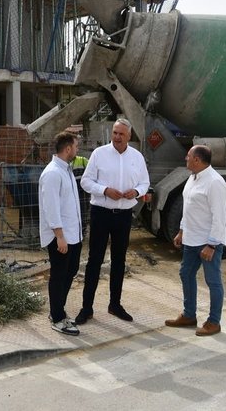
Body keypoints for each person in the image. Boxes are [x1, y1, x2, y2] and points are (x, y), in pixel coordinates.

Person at [76, 118, 150, 324]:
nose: (117, 137)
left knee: (119, 261)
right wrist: (105, 190)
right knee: (94, 261)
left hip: (124, 216)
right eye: (115, 133)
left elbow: (145, 183)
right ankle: (87, 308)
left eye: (121, 134)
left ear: (129, 136)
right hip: (101, 213)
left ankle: (114, 305)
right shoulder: (99, 154)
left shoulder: (137, 157)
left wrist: (136, 191)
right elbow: (85, 181)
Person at [165, 144, 226, 336]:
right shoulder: (192, 178)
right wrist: (182, 231)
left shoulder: (215, 182)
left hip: (207, 242)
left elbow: (219, 217)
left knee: (213, 281)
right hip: (191, 240)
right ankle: (189, 315)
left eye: (188, 156)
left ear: (197, 160)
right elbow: (189, 207)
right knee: (186, 274)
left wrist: (212, 244)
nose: (185, 159)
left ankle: (214, 322)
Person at [39, 132, 83, 336]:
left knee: (70, 271)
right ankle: (57, 318)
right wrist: (59, 236)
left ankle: (58, 310)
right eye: (76, 146)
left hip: (73, 234)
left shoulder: (65, 170)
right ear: (67, 149)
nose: (77, 149)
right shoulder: (52, 173)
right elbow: (51, 208)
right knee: (58, 276)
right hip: (62, 236)